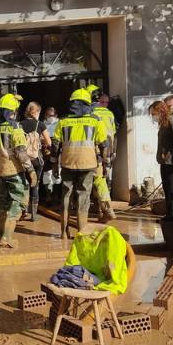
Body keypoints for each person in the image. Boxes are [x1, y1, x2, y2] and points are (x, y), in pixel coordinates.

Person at [52, 89, 109, 239]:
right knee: (84, 197)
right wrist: (105, 165)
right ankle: (82, 233)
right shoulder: (95, 120)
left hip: (67, 164)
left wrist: (53, 165)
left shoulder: (63, 121)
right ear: (88, 103)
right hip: (88, 164)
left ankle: (63, 233)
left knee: (66, 197)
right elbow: (104, 145)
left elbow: (55, 145)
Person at [0, 93, 35, 248]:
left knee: (1, 207)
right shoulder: (15, 128)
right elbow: (21, 152)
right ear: (12, 111)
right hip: (14, 172)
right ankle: (7, 238)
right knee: (17, 205)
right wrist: (31, 171)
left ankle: (0, 238)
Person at [149, 101, 173, 218]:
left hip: (171, 161)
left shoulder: (171, 122)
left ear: (160, 111)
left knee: (172, 188)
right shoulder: (163, 124)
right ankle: (170, 214)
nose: (152, 116)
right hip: (164, 161)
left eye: (153, 113)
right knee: (166, 188)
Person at [20, 101, 51, 221]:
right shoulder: (40, 124)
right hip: (36, 160)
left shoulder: (19, 125)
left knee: (24, 185)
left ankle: (23, 212)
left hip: (23, 160)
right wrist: (41, 141)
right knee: (35, 185)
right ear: (36, 112)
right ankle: (34, 214)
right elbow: (49, 142)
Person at [91, 89, 117, 221]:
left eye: (107, 102)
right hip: (108, 149)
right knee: (106, 177)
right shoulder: (110, 114)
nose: (105, 104)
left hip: (97, 150)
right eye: (104, 102)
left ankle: (99, 209)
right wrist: (113, 152)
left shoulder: (92, 114)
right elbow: (113, 133)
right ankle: (106, 206)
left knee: (97, 179)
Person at [41, 107, 61, 201]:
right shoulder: (42, 124)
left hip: (58, 152)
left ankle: (56, 196)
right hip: (46, 152)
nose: (50, 117)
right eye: (48, 115)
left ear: (56, 115)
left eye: (52, 115)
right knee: (47, 174)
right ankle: (48, 196)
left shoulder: (60, 123)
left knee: (58, 173)